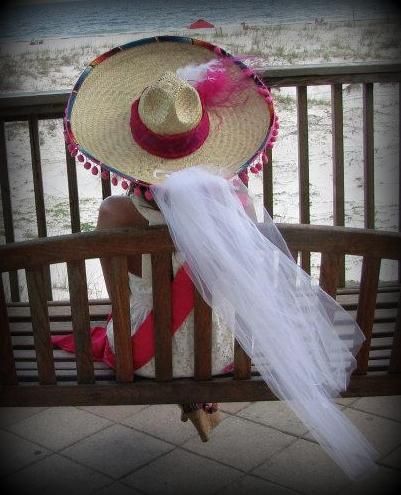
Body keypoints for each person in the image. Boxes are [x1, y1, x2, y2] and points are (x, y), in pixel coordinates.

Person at [56, 35, 378, 477]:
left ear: (132, 151)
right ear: (203, 140)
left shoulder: (114, 214)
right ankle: (202, 393)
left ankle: (193, 395)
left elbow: (119, 300)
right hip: (219, 353)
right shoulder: (237, 206)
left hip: (142, 357)